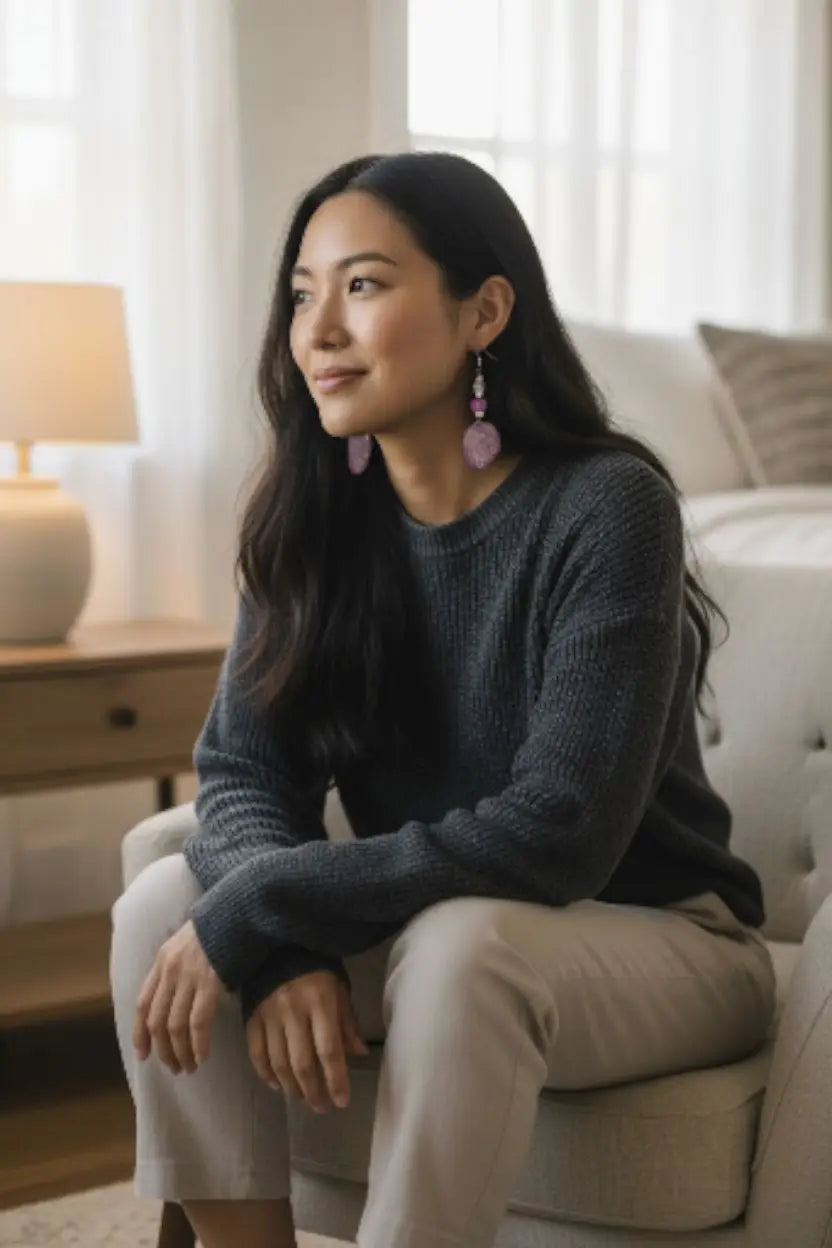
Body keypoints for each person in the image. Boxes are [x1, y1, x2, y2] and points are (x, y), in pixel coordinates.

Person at [110, 151, 775, 1248]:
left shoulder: (609, 507)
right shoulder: (315, 519)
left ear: (484, 310)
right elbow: (242, 774)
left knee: (468, 947)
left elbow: (557, 833)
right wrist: (279, 944)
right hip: (439, 929)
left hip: (657, 940)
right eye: (301, 294)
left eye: (363, 286)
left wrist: (271, 903)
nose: (319, 329)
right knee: (155, 911)